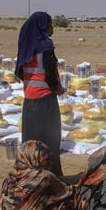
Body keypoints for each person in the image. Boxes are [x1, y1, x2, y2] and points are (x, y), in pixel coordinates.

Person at [15, 11, 65, 176]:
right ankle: (52, 176)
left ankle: (29, 175)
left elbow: (21, 72)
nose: (52, 29)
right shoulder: (45, 46)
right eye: (50, 25)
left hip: (30, 100)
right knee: (50, 140)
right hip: (45, 99)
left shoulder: (26, 46)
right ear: (42, 26)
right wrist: (58, 88)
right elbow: (49, 73)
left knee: (31, 141)